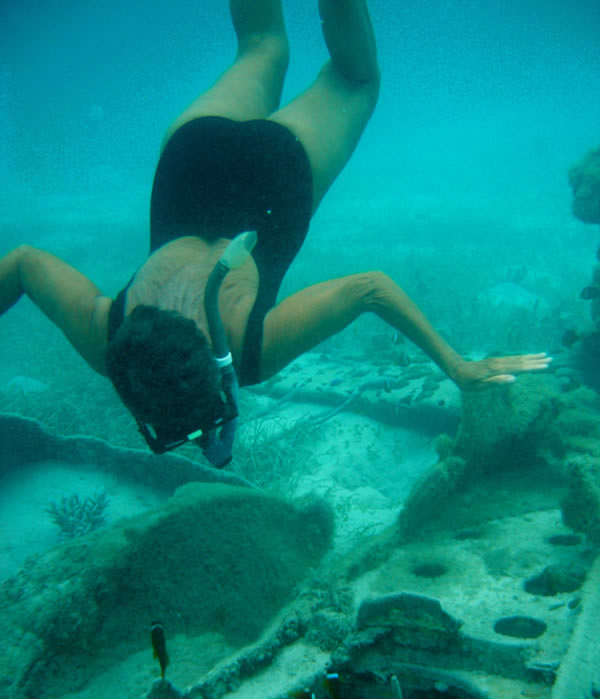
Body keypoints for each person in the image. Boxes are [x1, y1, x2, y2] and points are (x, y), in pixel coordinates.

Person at [0, 0, 549, 467]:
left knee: (354, 77)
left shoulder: (249, 352)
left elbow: (370, 288)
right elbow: (22, 262)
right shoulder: (105, 336)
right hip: (191, 162)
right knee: (261, 44)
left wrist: (455, 366)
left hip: (271, 179)